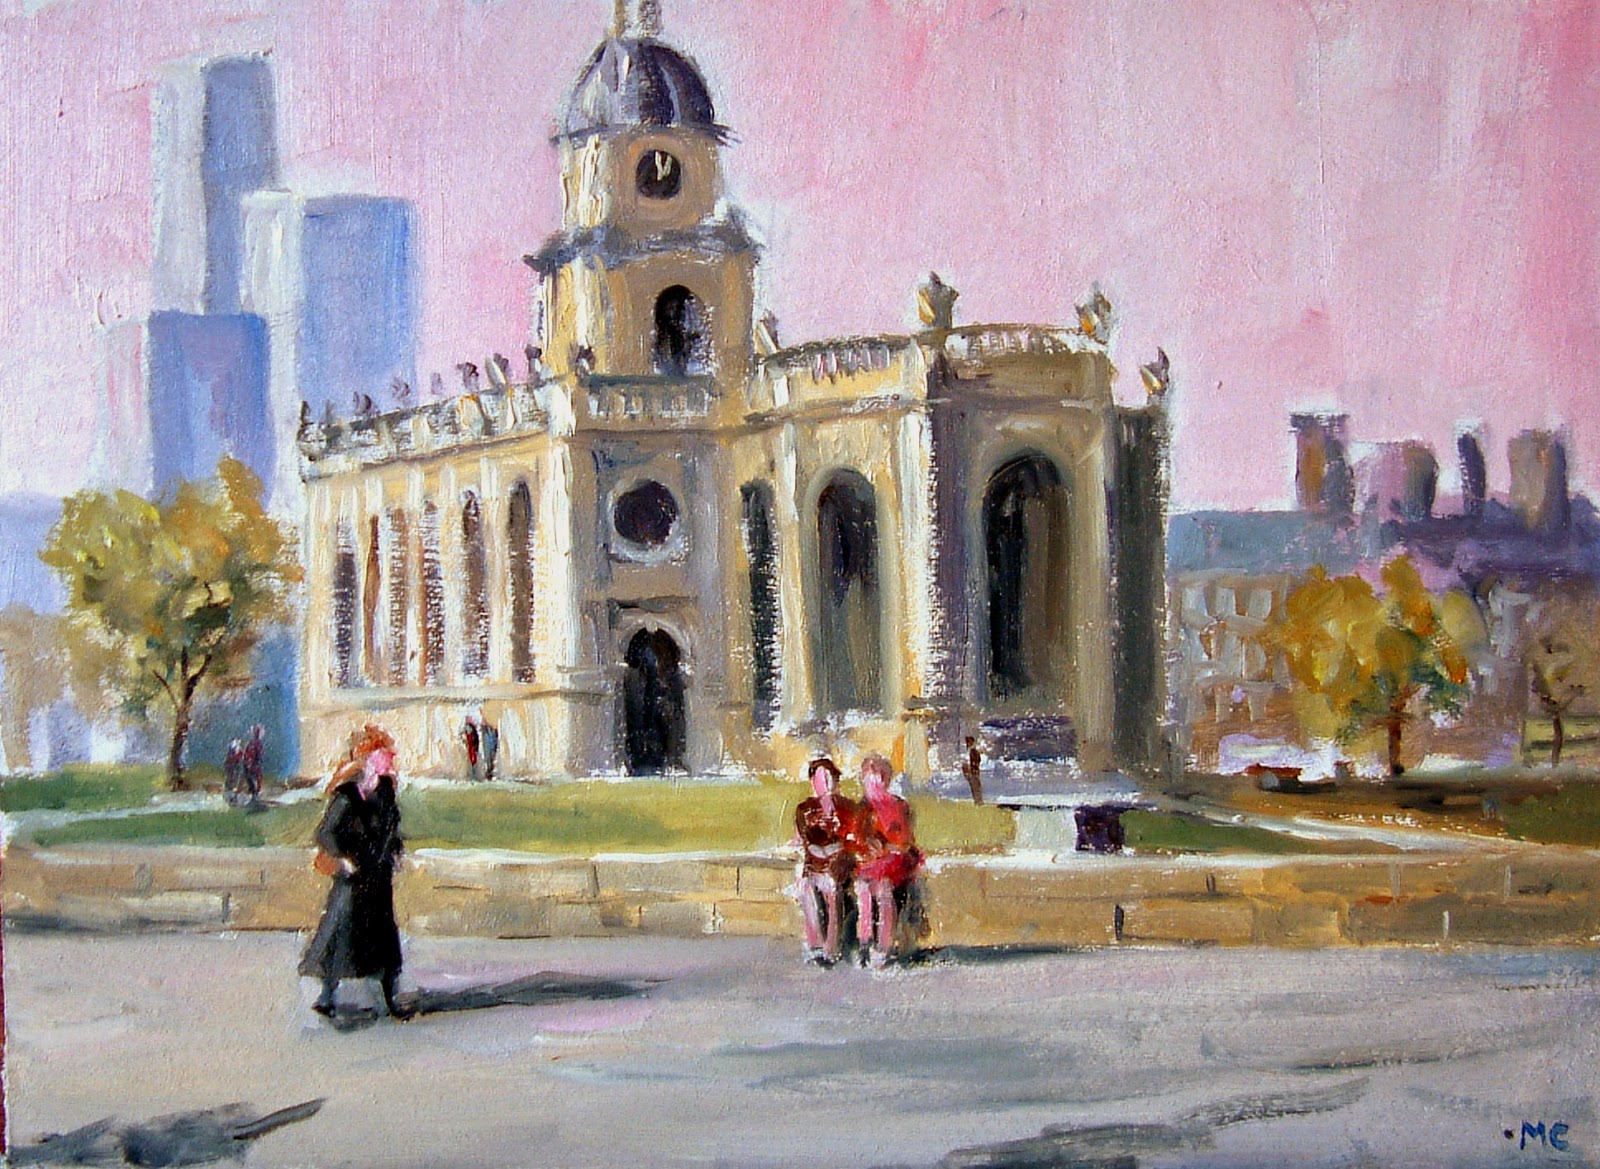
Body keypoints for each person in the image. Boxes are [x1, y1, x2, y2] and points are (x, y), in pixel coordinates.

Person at [299, 725, 409, 1020]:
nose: (389, 759)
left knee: (384, 940)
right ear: (367, 757)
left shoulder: (385, 792)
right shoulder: (347, 795)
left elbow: (391, 829)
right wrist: (343, 859)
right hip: (352, 879)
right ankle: (326, 996)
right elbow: (326, 833)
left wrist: (395, 850)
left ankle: (391, 998)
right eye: (383, 753)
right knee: (340, 936)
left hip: (378, 877)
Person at [853, 754, 924, 968]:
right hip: (871, 864)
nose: (875, 782)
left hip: (895, 864)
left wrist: (885, 848)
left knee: (883, 889)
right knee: (864, 889)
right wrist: (867, 847)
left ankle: (883, 947)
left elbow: (904, 842)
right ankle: (865, 941)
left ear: (887, 779)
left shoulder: (899, 806)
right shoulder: (862, 810)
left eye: (879, 777)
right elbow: (856, 840)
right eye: (869, 777)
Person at [793, 757, 858, 966]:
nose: (825, 784)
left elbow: (851, 841)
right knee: (805, 888)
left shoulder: (847, 807)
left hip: (838, 864)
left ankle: (831, 947)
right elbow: (803, 840)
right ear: (812, 781)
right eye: (820, 778)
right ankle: (815, 944)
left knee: (832, 888)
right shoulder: (804, 809)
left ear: (836, 781)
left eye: (829, 778)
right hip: (814, 863)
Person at [961, 735, 984, 806]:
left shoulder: (973, 751)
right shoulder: (971, 751)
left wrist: (972, 769)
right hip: (972, 773)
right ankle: (977, 801)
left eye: (969, 742)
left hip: (973, 773)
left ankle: (978, 802)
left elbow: (976, 762)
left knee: (976, 787)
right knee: (975, 787)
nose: (968, 743)